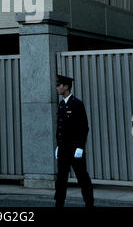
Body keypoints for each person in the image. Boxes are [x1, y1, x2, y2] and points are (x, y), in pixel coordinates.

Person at [54, 75, 94, 208]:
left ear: (66, 87)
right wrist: (58, 145)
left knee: (82, 177)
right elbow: (60, 127)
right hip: (63, 148)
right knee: (61, 178)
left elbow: (84, 127)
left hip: (75, 148)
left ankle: (89, 203)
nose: (57, 87)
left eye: (59, 85)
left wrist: (80, 147)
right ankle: (59, 204)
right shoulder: (61, 105)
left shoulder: (77, 104)